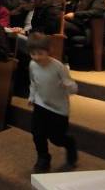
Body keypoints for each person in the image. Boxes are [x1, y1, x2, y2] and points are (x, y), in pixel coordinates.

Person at [27, 33, 78, 172]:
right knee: (37, 133)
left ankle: (70, 143)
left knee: (57, 138)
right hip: (40, 104)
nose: (36, 57)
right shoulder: (32, 65)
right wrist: (32, 96)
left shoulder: (58, 67)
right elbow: (33, 83)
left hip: (58, 109)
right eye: (33, 54)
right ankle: (43, 158)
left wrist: (68, 85)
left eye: (40, 53)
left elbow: (74, 88)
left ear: (48, 51)